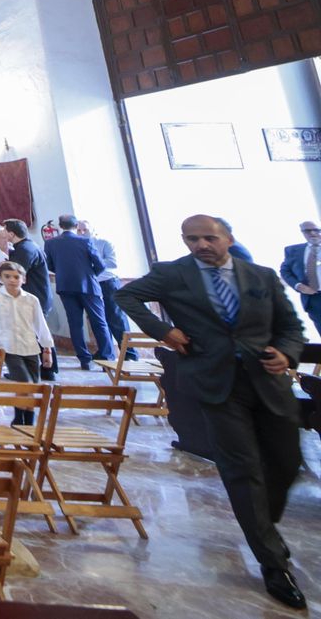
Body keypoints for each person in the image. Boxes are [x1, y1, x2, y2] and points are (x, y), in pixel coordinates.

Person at [116, 215, 307, 611]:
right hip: (216, 382)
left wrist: (286, 353)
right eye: (192, 238)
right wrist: (162, 330)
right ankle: (273, 562)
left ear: (228, 237)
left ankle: (260, 523)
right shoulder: (172, 274)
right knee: (242, 470)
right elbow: (126, 295)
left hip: (267, 382)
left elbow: (291, 325)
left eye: (209, 237)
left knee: (286, 463)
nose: (201, 244)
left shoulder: (261, 275)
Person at [0, 261, 53, 425]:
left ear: (23, 279)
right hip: (8, 347)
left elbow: (40, 324)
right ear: (1, 278)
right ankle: (19, 418)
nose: (12, 280)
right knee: (23, 383)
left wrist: (47, 349)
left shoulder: (31, 299)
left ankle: (29, 419)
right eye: (8, 276)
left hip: (30, 347)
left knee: (32, 386)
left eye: (16, 277)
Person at [44, 214, 114, 370]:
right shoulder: (85, 241)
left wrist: (64, 273)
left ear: (60, 226)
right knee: (99, 322)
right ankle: (107, 358)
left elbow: (50, 265)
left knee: (75, 324)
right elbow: (101, 265)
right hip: (88, 286)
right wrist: (88, 274)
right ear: (76, 226)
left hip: (65, 286)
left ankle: (84, 360)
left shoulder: (51, 244)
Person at [5, 219, 57, 377]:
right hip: (37, 295)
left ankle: (42, 371)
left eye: (6, 231)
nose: (4, 234)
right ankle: (46, 370)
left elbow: (16, 274)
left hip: (33, 297)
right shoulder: (28, 246)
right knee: (37, 333)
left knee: (34, 335)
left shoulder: (25, 249)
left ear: (12, 233)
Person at [78, 219, 132, 360]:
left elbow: (112, 262)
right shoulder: (78, 246)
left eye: (85, 229)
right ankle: (106, 352)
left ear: (92, 230)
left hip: (108, 282)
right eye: (79, 230)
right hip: (91, 284)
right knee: (98, 320)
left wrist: (93, 264)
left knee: (116, 318)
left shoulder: (103, 243)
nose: (82, 232)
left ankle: (129, 354)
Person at [278, 220, 321, 338]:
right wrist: (298, 285)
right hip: (314, 299)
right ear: (302, 232)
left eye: (316, 230)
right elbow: (285, 271)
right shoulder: (293, 251)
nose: (312, 233)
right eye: (308, 231)